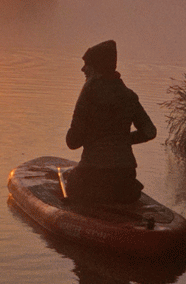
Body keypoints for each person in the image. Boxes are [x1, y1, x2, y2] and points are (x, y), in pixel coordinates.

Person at [64, 40, 157, 204]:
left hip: (93, 177)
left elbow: (72, 142)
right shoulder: (129, 95)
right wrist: (122, 139)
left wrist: (95, 138)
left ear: (97, 69)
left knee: (69, 179)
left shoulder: (89, 92)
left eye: (87, 65)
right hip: (125, 180)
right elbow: (150, 131)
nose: (83, 69)